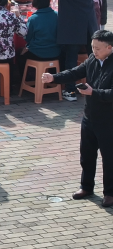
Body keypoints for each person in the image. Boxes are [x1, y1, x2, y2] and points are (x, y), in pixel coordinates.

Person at [44, 30, 113, 207]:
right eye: (92, 47)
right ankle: (86, 186)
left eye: (97, 48)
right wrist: (54, 77)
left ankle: (110, 193)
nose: (94, 51)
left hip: (108, 120)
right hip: (89, 116)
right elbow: (75, 72)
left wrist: (93, 92)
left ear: (109, 47)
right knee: (87, 155)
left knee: (109, 158)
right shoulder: (92, 60)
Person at [38, 0, 98, 101]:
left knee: (71, 58)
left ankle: (70, 91)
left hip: (73, 24)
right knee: (94, 55)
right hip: (89, 22)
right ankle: (96, 86)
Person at [16, 0, 60, 79]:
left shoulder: (33, 18)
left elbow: (28, 38)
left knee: (19, 53)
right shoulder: (57, 15)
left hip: (37, 52)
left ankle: (26, 80)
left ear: (35, 2)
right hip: (56, 52)